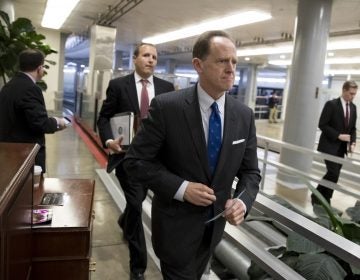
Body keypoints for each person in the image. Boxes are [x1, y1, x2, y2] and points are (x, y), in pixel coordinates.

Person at [122, 30, 261, 279]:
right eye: (221, 61)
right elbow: (135, 162)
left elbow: (250, 172)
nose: (231, 69)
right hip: (176, 231)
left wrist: (242, 201)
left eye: (234, 62)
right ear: (198, 65)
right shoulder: (168, 107)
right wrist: (182, 188)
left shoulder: (244, 116)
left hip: (214, 231)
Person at [97, 43, 174, 280]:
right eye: (146, 55)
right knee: (137, 205)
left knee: (134, 205)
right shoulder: (119, 86)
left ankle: (124, 220)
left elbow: (173, 124)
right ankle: (138, 268)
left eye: (154, 57)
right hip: (128, 158)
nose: (151, 60)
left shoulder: (166, 88)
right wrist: (109, 140)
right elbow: (104, 117)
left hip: (157, 160)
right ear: (135, 59)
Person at [0, 49, 68, 172]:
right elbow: (40, 123)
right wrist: (58, 122)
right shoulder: (31, 89)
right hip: (26, 156)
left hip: (8, 152)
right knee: (31, 189)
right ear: (39, 68)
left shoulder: (8, 86)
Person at [312, 80, 357, 205]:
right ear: (344, 90)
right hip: (329, 146)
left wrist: (352, 142)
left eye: (355, 94)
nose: (353, 96)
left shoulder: (353, 108)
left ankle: (323, 196)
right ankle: (321, 196)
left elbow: (353, 128)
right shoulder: (331, 105)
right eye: (351, 93)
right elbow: (322, 124)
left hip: (341, 148)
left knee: (335, 174)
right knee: (333, 172)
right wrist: (338, 136)